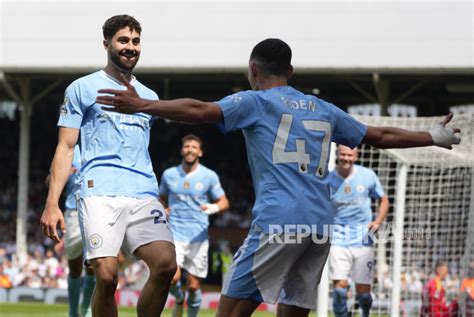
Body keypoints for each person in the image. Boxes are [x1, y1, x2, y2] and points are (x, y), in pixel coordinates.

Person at [96, 38, 461, 317]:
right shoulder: (325, 109)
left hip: (278, 222)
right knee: (294, 309)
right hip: (320, 226)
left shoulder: (256, 102)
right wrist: (433, 136)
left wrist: (143, 105)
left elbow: (200, 111)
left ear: (253, 70)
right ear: (292, 72)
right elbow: (380, 137)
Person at [40, 15, 176, 317]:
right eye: (123, 40)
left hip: (143, 192)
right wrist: (52, 203)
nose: (131, 47)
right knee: (106, 276)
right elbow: (65, 147)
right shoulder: (82, 88)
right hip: (98, 192)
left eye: (136, 41)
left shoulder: (149, 97)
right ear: (107, 44)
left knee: (166, 265)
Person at [160, 134, 229, 317]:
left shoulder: (209, 176)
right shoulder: (169, 175)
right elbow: (161, 198)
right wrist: (163, 209)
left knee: (193, 286)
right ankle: (179, 299)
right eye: (187, 146)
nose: (190, 149)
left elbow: (224, 203)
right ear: (182, 150)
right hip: (174, 233)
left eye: (194, 147)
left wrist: (213, 207)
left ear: (200, 152)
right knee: (172, 278)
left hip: (198, 236)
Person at [327, 144, 389, 317]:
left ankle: (365, 312)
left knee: (364, 294)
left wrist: (377, 222)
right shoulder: (328, 180)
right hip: (338, 239)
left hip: (363, 239)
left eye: (350, 155)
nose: (346, 158)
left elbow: (383, 200)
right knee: (339, 290)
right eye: (343, 155)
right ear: (338, 155)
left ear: (356, 156)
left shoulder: (367, 176)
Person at [45, 144, 95, 317]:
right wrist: (63, 175)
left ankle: (86, 307)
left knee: (94, 264)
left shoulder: (101, 139)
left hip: (97, 209)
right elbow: (48, 181)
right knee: (75, 268)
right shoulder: (69, 147)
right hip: (73, 214)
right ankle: (73, 311)